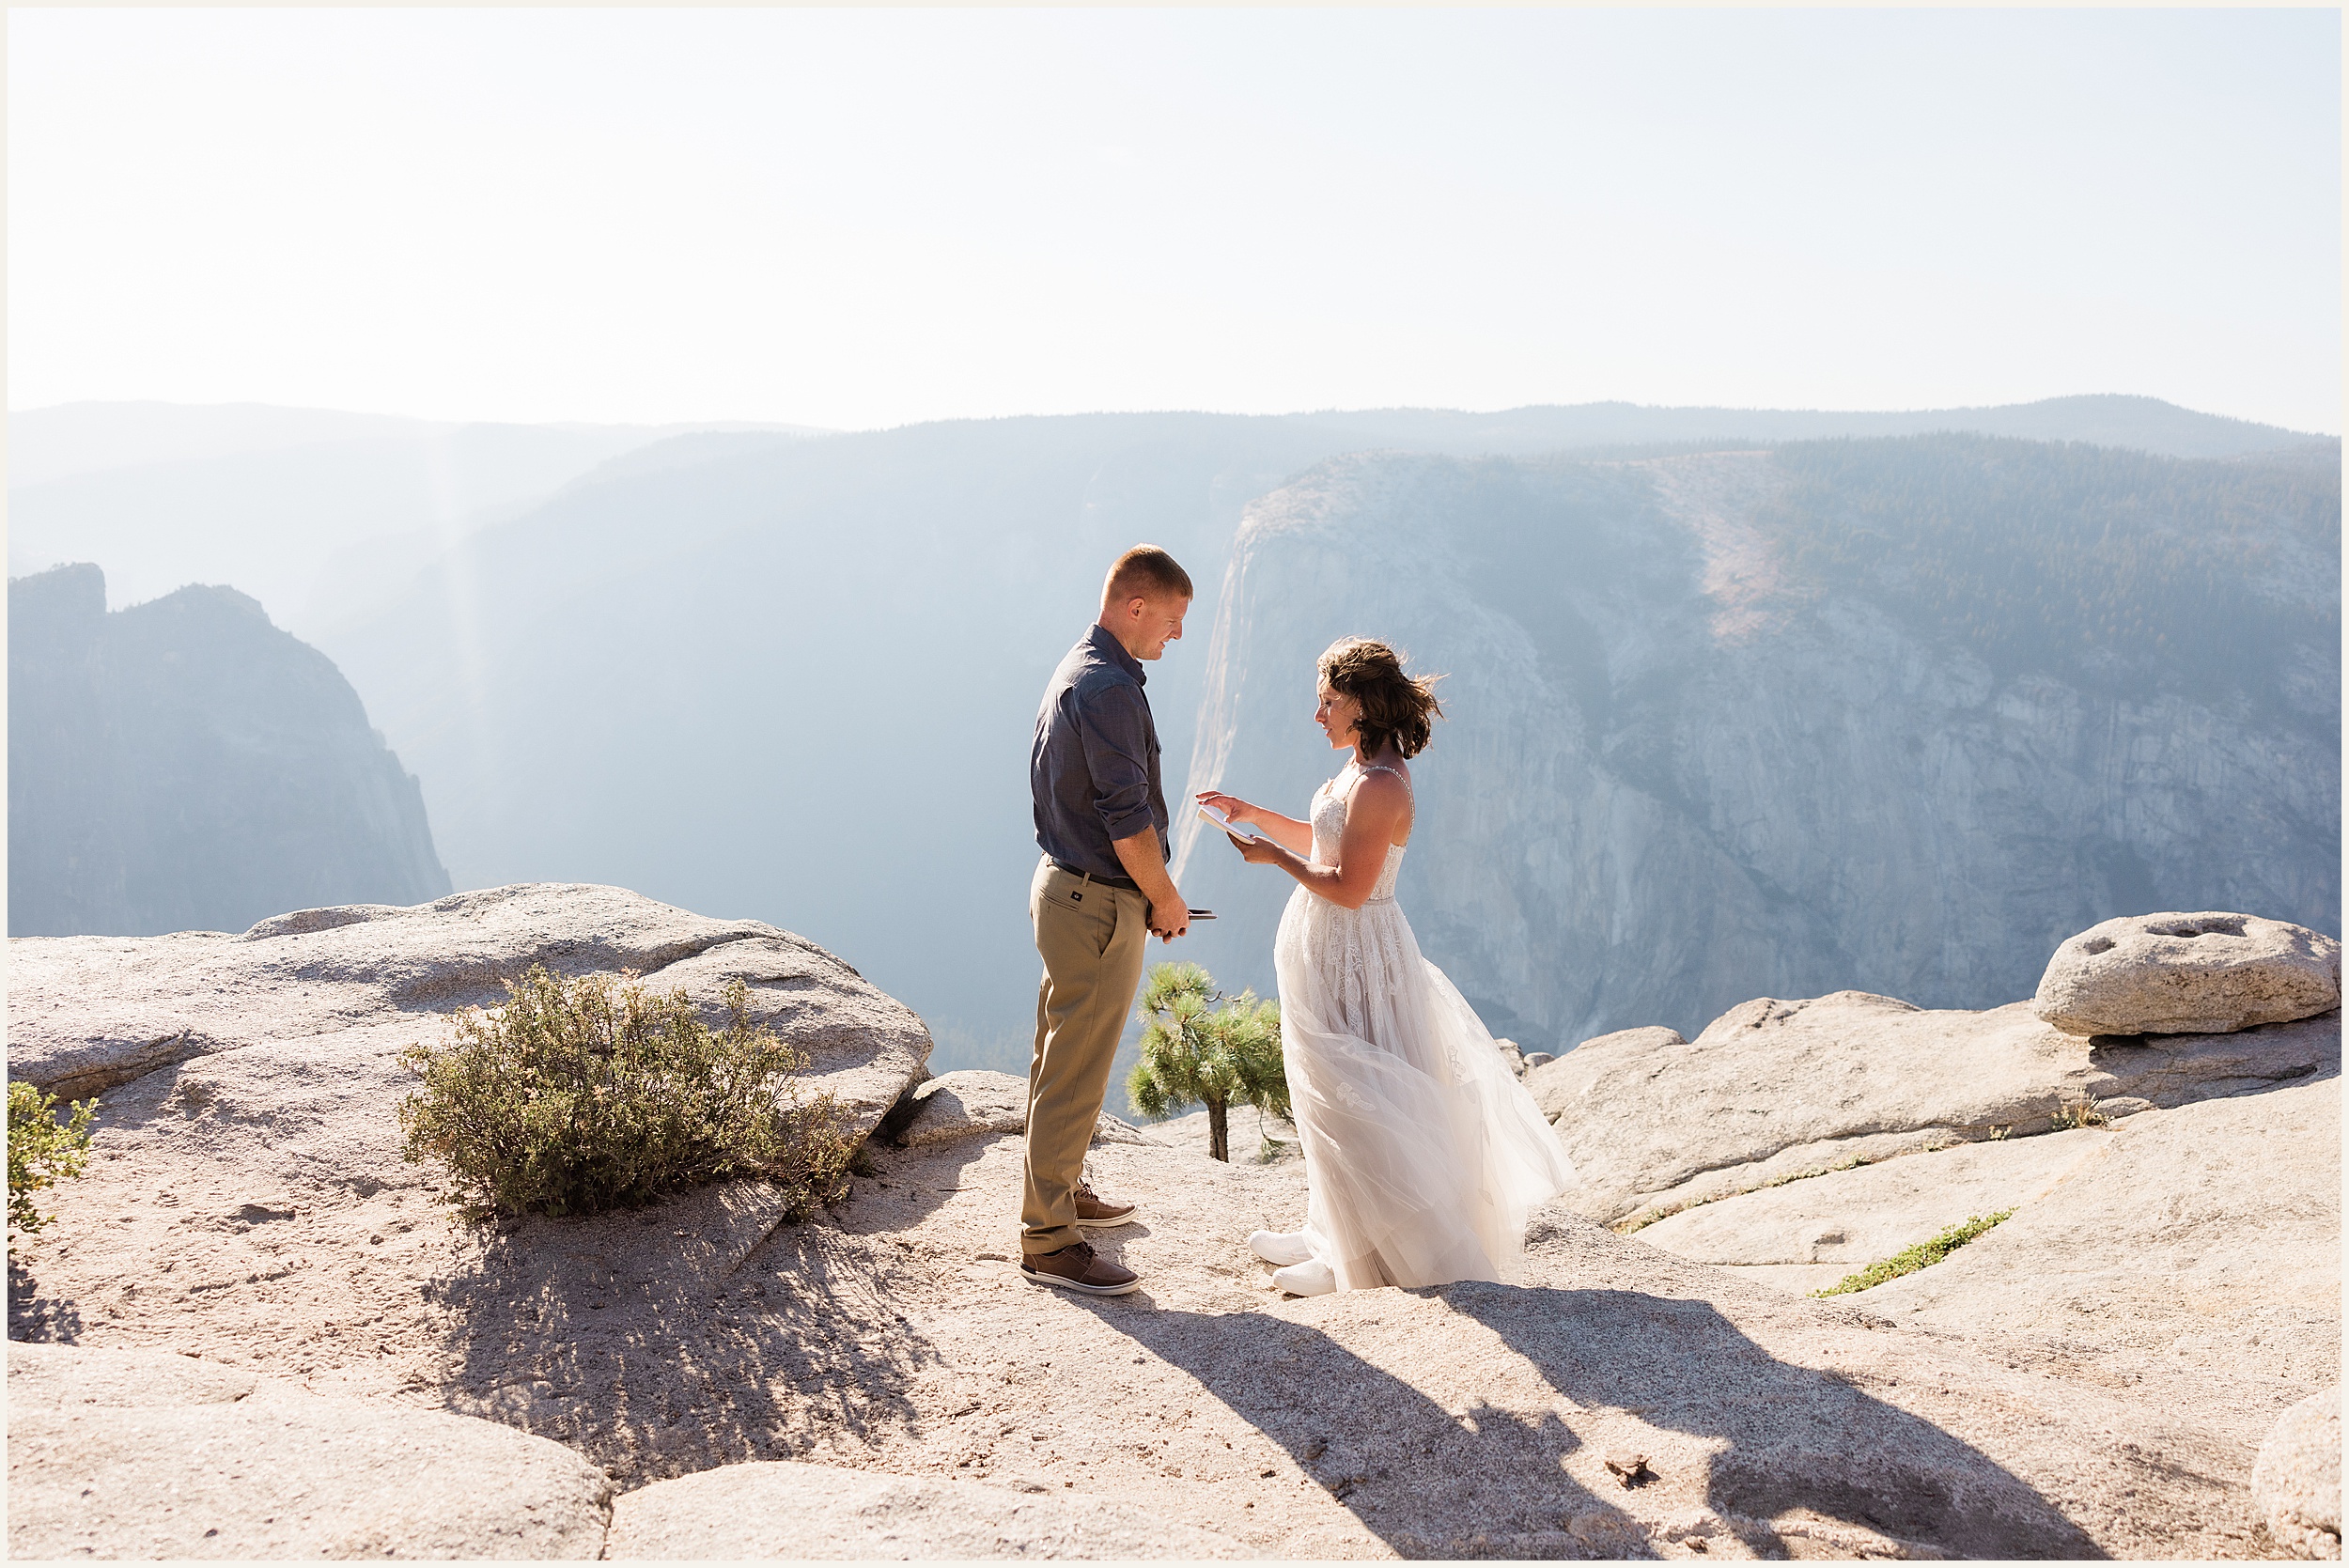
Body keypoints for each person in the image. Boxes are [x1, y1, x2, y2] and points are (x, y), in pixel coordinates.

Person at [1196, 637, 1576, 1295]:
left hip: (1359, 952)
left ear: (1363, 704)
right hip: (1333, 948)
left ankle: (1353, 1259)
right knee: (1328, 1090)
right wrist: (1252, 814)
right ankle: (1328, 1229)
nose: (1318, 715)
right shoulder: (1357, 766)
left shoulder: (1378, 785)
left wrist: (1271, 860)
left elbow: (1348, 885)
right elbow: (1325, 840)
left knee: (1357, 1096)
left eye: (1328, 702)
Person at [1019, 544, 1195, 1296]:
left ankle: (1060, 1194)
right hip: (1097, 898)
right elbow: (1127, 823)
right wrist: (1164, 896)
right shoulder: (1111, 689)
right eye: (1173, 618)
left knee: (1056, 1054)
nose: (1177, 636)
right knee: (1076, 1069)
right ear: (1136, 607)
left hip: (1065, 886)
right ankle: (1049, 1240)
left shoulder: (1079, 667)